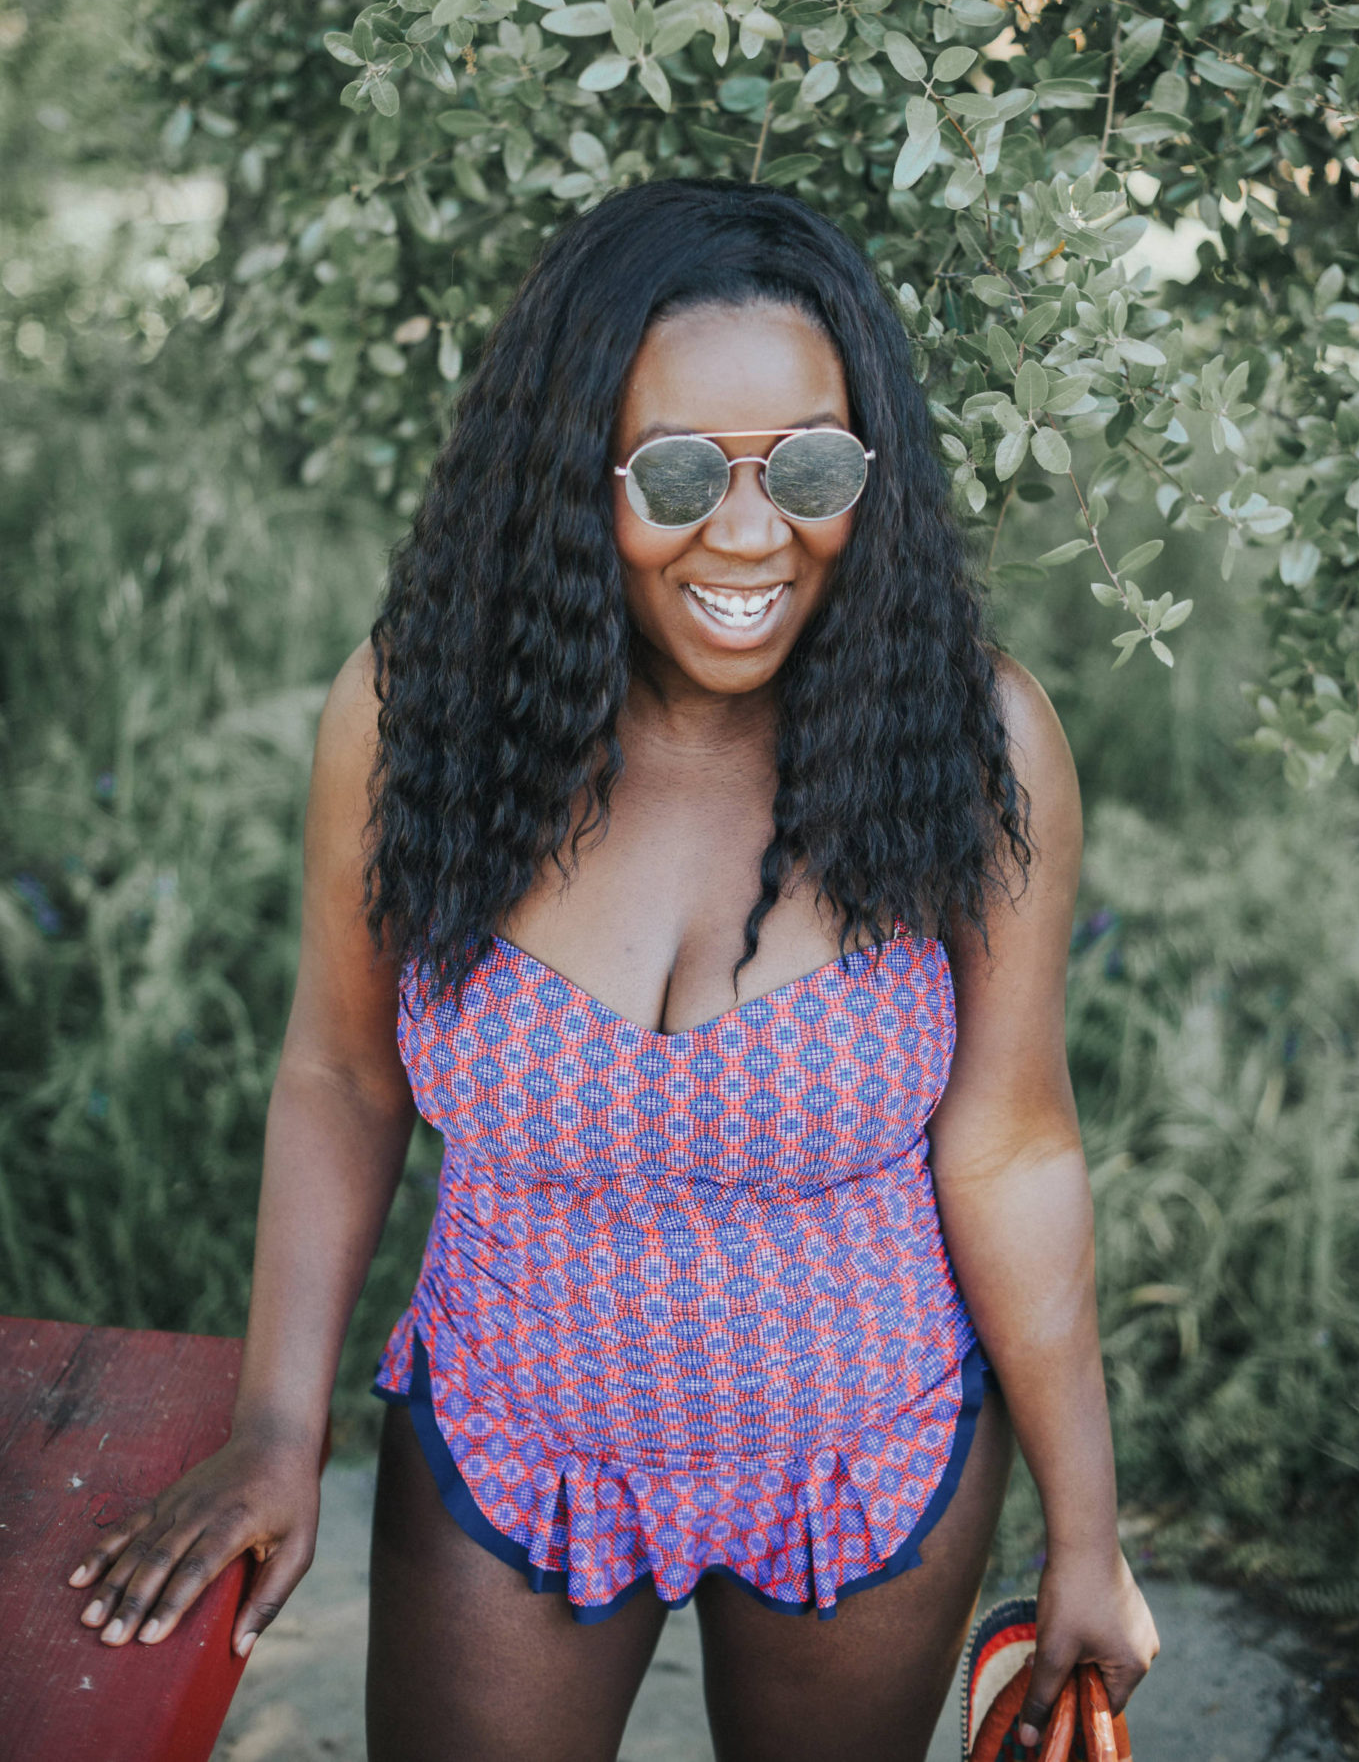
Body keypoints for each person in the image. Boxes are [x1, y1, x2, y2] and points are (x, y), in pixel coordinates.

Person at [68, 180, 1158, 1760]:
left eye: (809, 465)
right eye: (672, 471)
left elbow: (1013, 1140)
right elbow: (340, 1070)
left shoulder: (975, 741)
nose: (747, 530)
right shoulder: (421, 711)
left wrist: (1086, 1534)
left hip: (870, 1449)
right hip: (512, 1439)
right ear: (574, 467)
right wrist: (277, 1424)